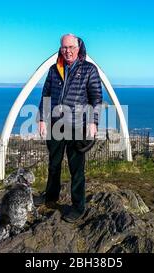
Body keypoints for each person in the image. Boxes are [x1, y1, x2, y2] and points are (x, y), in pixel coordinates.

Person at [37, 34, 103, 222]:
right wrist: (41, 118)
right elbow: (46, 95)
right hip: (55, 124)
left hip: (77, 126)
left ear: (79, 47)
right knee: (53, 164)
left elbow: (96, 98)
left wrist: (93, 122)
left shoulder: (89, 70)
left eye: (71, 47)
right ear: (61, 48)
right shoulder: (53, 69)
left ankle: (78, 207)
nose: (68, 51)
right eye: (64, 47)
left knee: (77, 169)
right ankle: (50, 197)